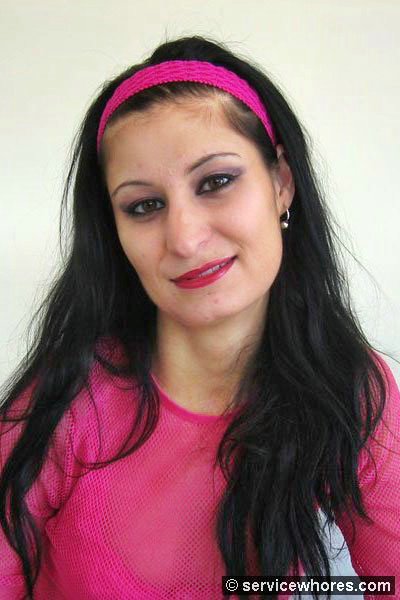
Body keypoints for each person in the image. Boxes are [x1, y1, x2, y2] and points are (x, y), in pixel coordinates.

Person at [0, 34, 399, 600]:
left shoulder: (351, 390)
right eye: (144, 206)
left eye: (216, 182)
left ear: (282, 183)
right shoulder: (67, 402)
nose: (184, 239)